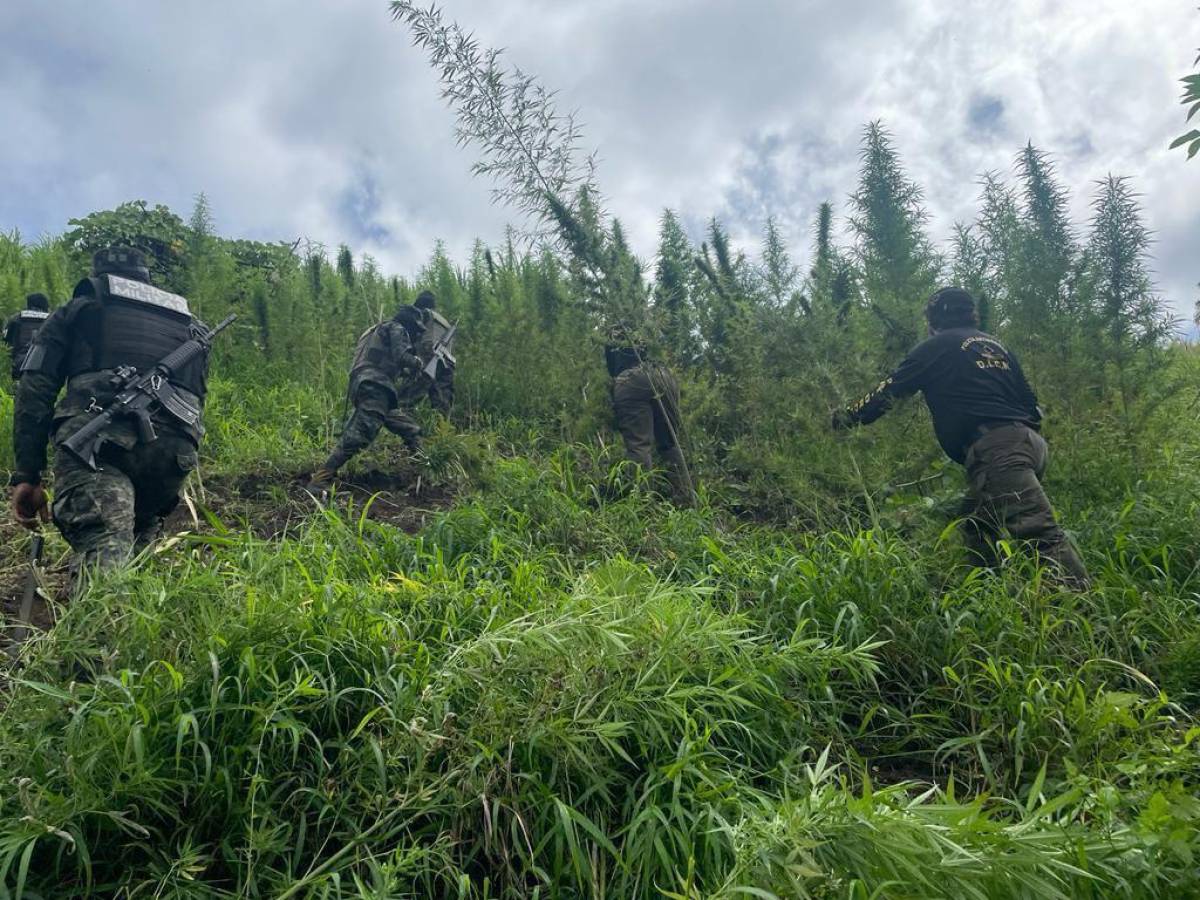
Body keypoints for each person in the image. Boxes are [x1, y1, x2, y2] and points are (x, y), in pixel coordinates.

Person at [832, 286, 1089, 588]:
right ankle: (988, 596)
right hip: (1029, 444)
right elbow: (1030, 400)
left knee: (1041, 535)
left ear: (933, 320)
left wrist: (844, 417)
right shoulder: (997, 347)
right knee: (975, 526)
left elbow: (888, 391)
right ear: (972, 315)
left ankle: (1090, 621)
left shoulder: (936, 346)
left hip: (998, 451)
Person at [9, 248, 213, 577]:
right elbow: (196, 399)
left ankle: (102, 625)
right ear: (146, 277)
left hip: (98, 445)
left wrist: (28, 474)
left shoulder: (79, 309)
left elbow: (35, 389)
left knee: (104, 550)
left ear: (99, 275)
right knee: (136, 555)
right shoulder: (190, 325)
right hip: (172, 457)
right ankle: (132, 618)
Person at [306, 305, 427, 492]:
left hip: (366, 384)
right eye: (416, 330)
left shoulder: (375, 331)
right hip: (375, 385)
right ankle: (320, 479)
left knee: (409, 428)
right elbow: (402, 356)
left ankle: (426, 471)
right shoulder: (397, 328)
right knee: (360, 433)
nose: (417, 334)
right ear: (410, 323)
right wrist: (417, 364)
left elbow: (379, 358)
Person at [605, 328, 693, 505]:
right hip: (662, 374)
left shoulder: (612, 328)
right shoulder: (642, 323)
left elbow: (612, 367)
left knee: (638, 445)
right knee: (670, 443)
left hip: (630, 379)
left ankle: (643, 503)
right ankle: (685, 500)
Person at [400, 290, 455, 414]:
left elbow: (409, 336)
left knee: (407, 398)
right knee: (442, 403)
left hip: (428, 358)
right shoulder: (445, 322)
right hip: (447, 363)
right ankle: (442, 430)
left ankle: (401, 426)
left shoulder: (423, 314)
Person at [3, 293, 51, 380]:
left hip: (18, 367)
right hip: (44, 369)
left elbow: (5, 344)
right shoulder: (52, 321)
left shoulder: (16, 320)